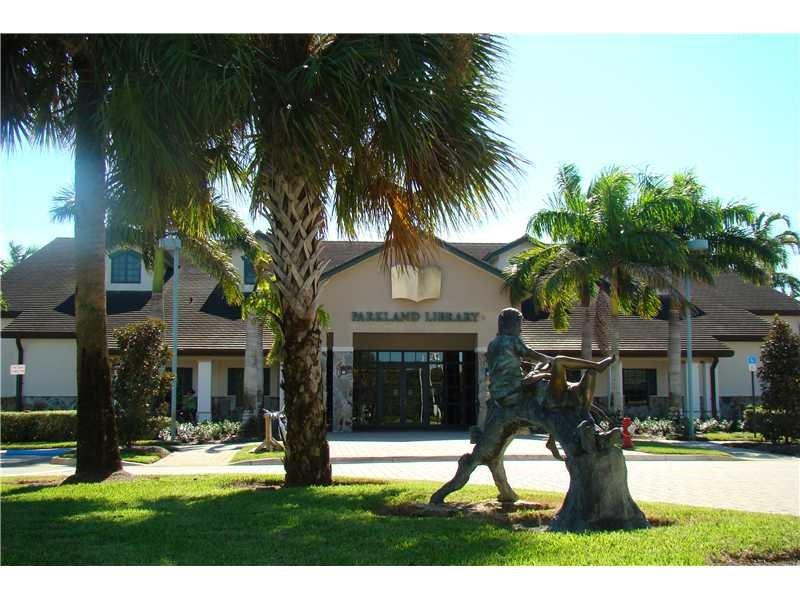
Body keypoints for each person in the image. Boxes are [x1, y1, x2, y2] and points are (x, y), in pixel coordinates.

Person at [431, 307, 614, 504]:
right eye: (518, 324)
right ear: (509, 324)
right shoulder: (510, 340)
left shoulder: (493, 344)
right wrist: (548, 360)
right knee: (548, 373)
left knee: (541, 377)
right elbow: (530, 353)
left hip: (502, 394)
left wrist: (538, 369)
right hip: (514, 393)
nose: (520, 328)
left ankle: (506, 493)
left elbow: (508, 366)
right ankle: (595, 367)